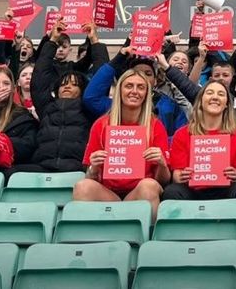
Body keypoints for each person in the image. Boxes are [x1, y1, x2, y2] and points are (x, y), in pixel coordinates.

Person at [72, 69, 171, 220]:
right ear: (119, 91)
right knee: (82, 186)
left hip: (139, 192)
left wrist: (162, 164)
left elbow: (162, 181)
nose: (134, 91)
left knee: (149, 185)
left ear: (146, 94)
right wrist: (94, 167)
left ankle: (150, 239)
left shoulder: (155, 126)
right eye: (129, 86)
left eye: (141, 87)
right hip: (108, 193)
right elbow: (90, 177)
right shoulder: (101, 125)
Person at [12, 29, 106, 173]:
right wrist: (52, 41)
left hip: (77, 167)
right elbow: (40, 77)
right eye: (63, 84)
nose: (67, 86)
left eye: (74, 84)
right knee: (9, 175)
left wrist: (94, 41)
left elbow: (102, 77)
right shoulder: (47, 106)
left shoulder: (89, 108)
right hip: (43, 166)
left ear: (83, 90)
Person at [162, 80, 236, 204]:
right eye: (210, 93)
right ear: (200, 101)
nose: (215, 97)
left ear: (227, 104)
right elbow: (176, 176)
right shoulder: (182, 134)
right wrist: (183, 176)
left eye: (221, 94)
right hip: (193, 190)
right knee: (172, 191)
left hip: (226, 190)